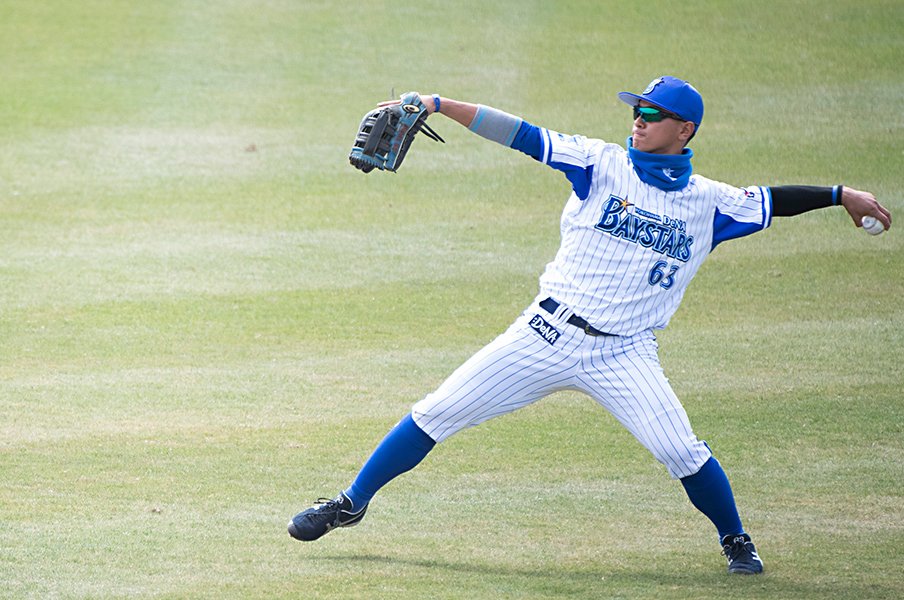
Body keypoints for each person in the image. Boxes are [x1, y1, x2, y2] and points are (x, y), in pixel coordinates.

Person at [287, 76, 892, 574]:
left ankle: (736, 540)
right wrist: (442, 104)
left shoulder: (711, 201)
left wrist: (841, 194)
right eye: (637, 109)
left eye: (653, 114)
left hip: (625, 354)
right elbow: (520, 133)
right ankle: (349, 502)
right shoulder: (597, 161)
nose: (639, 120)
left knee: (681, 448)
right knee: (437, 411)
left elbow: (774, 199)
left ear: (685, 130)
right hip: (544, 335)